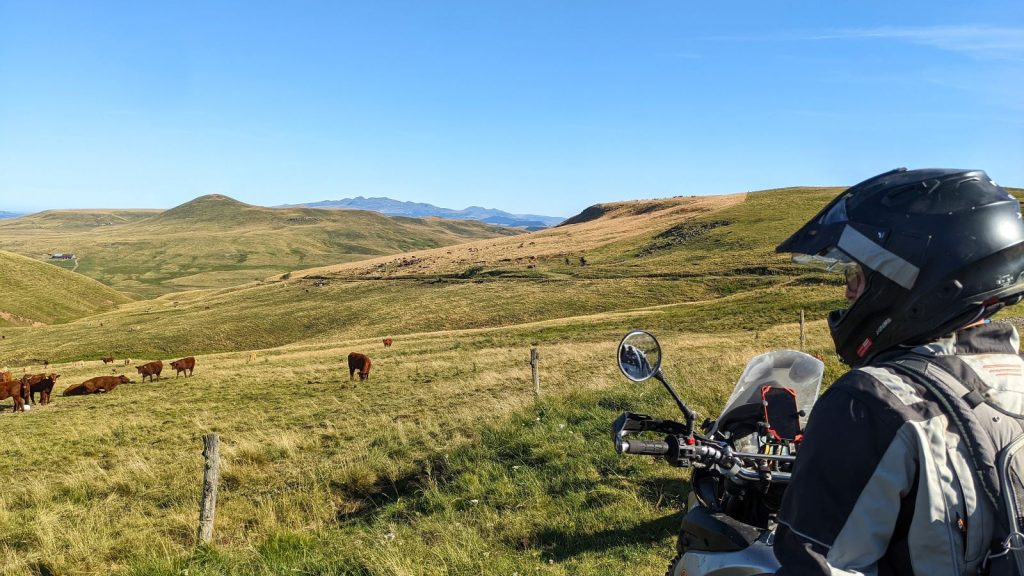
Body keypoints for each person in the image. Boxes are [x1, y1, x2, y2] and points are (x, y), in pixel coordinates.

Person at [771, 167, 1024, 575]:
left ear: (918, 281)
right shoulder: (1013, 375)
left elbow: (817, 564)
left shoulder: (872, 403)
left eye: (857, 277)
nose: (848, 294)